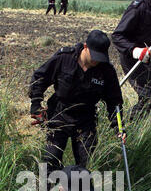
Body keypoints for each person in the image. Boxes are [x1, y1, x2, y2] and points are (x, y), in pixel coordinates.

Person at [29, 30, 123, 176]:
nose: (96, 61)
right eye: (94, 56)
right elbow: (39, 78)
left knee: (86, 163)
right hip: (59, 114)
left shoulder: (106, 70)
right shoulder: (64, 59)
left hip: (86, 119)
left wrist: (118, 126)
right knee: (50, 159)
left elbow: (114, 100)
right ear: (85, 47)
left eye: (100, 57)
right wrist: (35, 104)